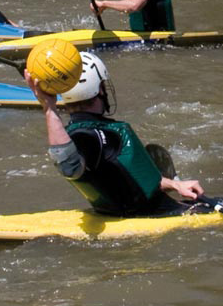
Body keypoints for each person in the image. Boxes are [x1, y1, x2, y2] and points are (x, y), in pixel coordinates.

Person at [25, 52, 203, 215]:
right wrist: (49, 108)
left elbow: (128, 178)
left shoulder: (93, 132)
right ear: (100, 89)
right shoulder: (88, 136)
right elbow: (68, 166)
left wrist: (175, 184)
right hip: (152, 214)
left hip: (152, 207)